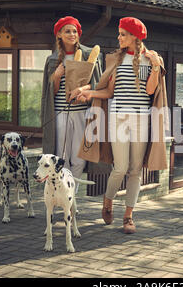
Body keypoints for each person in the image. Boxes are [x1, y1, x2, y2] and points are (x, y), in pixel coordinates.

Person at [78, 17, 169, 234]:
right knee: (120, 168)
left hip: (141, 119)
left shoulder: (152, 59)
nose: (118, 38)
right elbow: (109, 92)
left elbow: (150, 91)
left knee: (135, 170)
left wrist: (156, 67)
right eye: (119, 34)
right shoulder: (114, 59)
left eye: (123, 34)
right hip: (118, 118)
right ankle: (107, 201)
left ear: (135, 37)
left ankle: (128, 216)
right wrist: (88, 92)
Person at [41, 16, 103, 195]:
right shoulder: (52, 60)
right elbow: (49, 95)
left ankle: (71, 196)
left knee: (79, 158)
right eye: (67, 31)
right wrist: (57, 76)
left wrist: (83, 89)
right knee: (61, 157)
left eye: (75, 31)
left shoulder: (89, 55)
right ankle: (60, 194)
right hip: (60, 113)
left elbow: (97, 85)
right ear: (59, 34)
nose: (72, 34)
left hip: (82, 113)